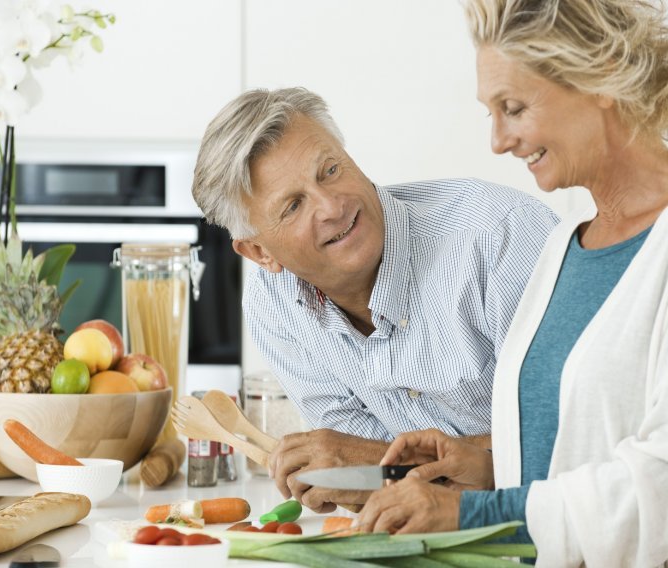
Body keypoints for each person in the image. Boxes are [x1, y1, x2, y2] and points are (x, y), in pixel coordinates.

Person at [358, 0, 668, 565]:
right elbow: (577, 457)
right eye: (491, 112)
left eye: (513, 107)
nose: (499, 140)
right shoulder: (564, 245)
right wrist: (485, 469)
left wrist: (473, 515)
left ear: (600, 78)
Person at [191, 87, 558, 511]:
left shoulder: (501, 238)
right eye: (293, 206)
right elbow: (366, 488)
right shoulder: (274, 307)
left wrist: (368, 461)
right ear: (260, 253)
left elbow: (578, 441)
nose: (332, 206)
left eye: (330, 170)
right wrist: (351, 472)